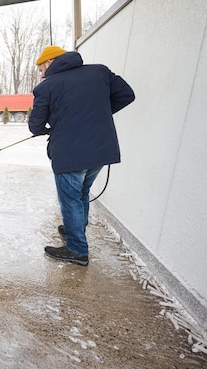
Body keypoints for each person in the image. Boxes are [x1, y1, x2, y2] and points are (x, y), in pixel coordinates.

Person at [29, 45, 135, 266]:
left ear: (49, 62)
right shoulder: (100, 72)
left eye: (41, 69)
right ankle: (74, 229)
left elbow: (35, 125)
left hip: (70, 153)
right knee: (82, 192)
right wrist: (96, 113)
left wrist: (57, 124)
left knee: (70, 199)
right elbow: (127, 95)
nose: (41, 74)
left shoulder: (47, 86)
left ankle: (77, 249)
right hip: (100, 148)